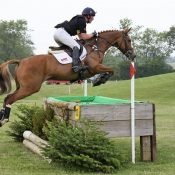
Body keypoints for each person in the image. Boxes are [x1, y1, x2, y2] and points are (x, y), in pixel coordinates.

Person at [54, 7, 96, 73]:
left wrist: (88, 38)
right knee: (77, 47)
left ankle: (65, 66)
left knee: (68, 51)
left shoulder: (79, 19)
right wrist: (93, 34)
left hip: (58, 34)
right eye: (92, 16)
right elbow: (84, 36)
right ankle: (76, 67)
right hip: (62, 33)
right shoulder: (82, 20)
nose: (93, 18)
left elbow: (80, 36)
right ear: (88, 16)